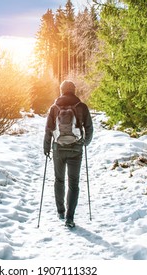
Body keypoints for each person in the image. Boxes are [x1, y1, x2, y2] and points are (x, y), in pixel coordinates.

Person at [43, 80, 93, 228]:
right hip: (76, 149)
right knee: (74, 183)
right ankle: (70, 218)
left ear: (61, 91)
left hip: (58, 148)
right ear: (74, 91)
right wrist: (85, 142)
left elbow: (48, 129)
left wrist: (46, 147)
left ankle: (60, 211)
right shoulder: (81, 107)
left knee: (59, 180)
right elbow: (89, 128)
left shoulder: (54, 108)